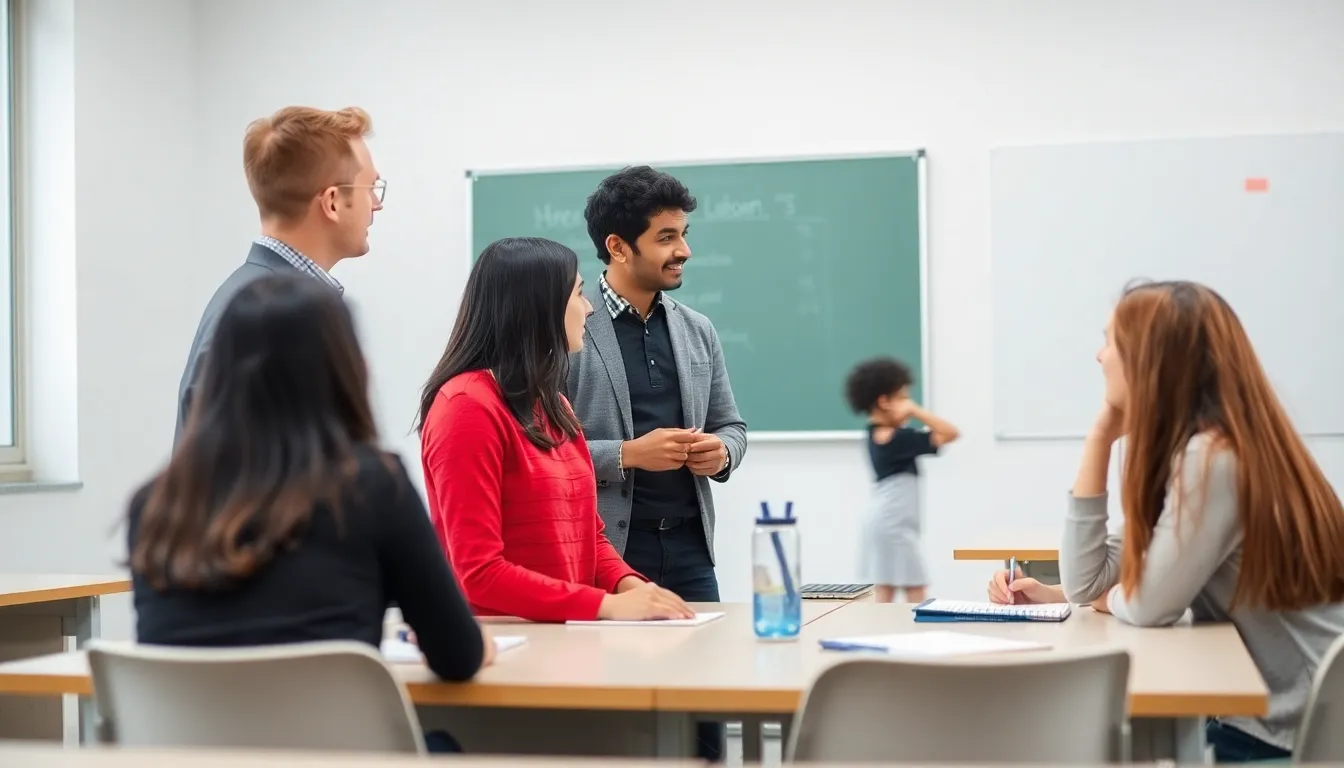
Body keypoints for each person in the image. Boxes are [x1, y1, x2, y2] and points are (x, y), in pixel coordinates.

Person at [986, 280, 1344, 763]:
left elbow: (1149, 605)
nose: (1099, 356)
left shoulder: (1212, 459)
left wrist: (1108, 598)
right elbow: (1086, 581)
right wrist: (1099, 439)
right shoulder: (1201, 451)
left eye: (1111, 340)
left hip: (1289, 730)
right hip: (1279, 712)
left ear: (1152, 361)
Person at [130, 274, 488, 752]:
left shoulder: (158, 502)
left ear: (217, 372)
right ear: (345, 367)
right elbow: (458, 656)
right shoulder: (372, 485)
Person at [566, 166, 746, 763]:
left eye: (684, 233)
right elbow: (539, 450)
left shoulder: (698, 330)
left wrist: (722, 453)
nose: (684, 250)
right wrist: (626, 456)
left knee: (706, 724)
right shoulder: (567, 329)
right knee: (619, 725)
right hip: (610, 558)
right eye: (667, 236)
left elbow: (733, 427)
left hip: (692, 554)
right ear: (618, 246)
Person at [417, 237, 694, 624]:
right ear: (538, 308)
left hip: (566, 635)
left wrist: (632, 587)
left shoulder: (553, 404)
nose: (589, 307)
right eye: (578, 295)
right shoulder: (466, 407)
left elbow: (589, 536)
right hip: (503, 642)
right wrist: (604, 606)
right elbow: (478, 573)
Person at [175, 105, 385, 445]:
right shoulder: (265, 317)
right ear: (332, 202)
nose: (377, 204)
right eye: (370, 188)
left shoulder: (249, 299)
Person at [844, 357, 958, 603]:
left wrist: (908, 410)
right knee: (915, 591)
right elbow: (950, 433)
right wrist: (916, 411)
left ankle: (883, 637)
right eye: (904, 398)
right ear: (884, 401)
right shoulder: (893, 439)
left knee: (885, 589)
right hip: (893, 525)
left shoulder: (879, 434)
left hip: (888, 523)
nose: (908, 404)